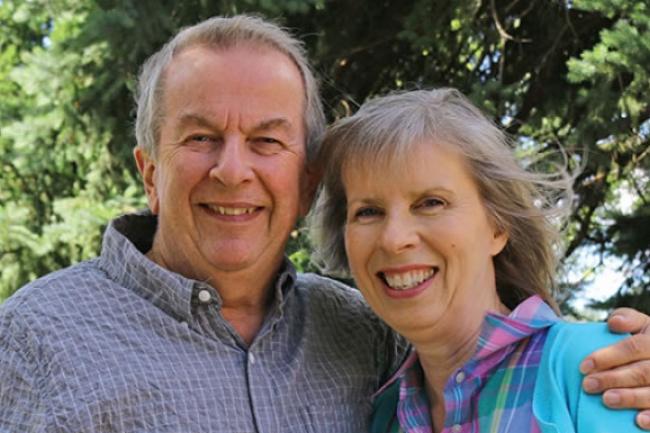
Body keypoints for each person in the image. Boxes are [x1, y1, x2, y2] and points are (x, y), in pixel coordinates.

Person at [0, 14, 648, 433]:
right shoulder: (34, 337)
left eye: (266, 140)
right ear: (149, 172)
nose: (231, 170)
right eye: (200, 137)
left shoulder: (369, 336)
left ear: (306, 183)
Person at [309, 87, 645, 432]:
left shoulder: (601, 367)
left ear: (498, 227)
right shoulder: (385, 416)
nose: (394, 239)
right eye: (368, 211)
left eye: (430, 203)